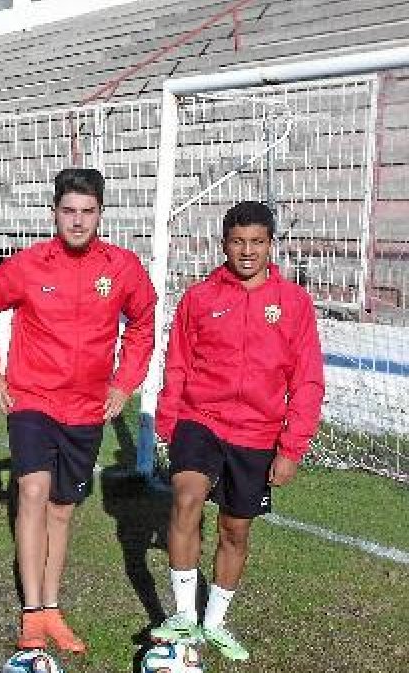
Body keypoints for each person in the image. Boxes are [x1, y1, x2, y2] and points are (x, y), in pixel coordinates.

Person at [0, 167, 156, 654]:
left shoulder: (122, 268)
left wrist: (124, 383)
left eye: (87, 211)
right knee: (32, 491)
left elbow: (143, 324)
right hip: (32, 399)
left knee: (62, 508)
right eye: (69, 210)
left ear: (100, 213)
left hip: (87, 409)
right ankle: (31, 612)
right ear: (54, 212)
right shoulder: (28, 265)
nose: (77, 221)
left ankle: (51, 607)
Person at [150, 201, 324, 661]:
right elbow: (177, 363)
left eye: (257, 242)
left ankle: (213, 624)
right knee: (186, 498)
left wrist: (292, 448)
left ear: (271, 245)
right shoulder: (199, 298)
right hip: (200, 420)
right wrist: (169, 420)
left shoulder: (294, 304)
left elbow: (307, 380)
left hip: (256, 433)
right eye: (238, 241)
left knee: (235, 530)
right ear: (223, 244)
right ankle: (183, 616)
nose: (247, 251)